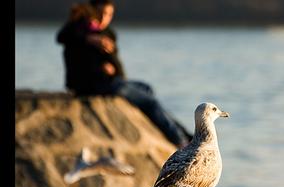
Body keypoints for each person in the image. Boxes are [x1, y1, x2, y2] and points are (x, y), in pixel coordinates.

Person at [56, 0, 191, 148]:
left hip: (112, 81)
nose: (103, 18)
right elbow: (63, 37)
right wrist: (89, 39)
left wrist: (112, 65)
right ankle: (180, 140)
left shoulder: (107, 34)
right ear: (92, 11)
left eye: (108, 14)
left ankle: (184, 133)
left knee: (146, 88)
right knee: (150, 103)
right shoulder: (78, 30)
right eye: (100, 13)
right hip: (95, 85)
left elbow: (117, 67)